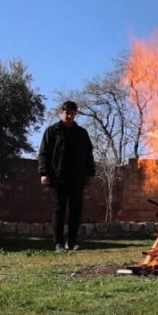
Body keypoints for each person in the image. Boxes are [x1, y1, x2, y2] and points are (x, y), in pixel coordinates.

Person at [38, 101, 95, 252]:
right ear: (61, 113)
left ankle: (72, 241)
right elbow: (43, 153)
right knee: (59, 210)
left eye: (72, 113)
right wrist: (44, 173)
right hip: (58, 178)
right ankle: (58, 243)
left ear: (76, 114)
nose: (69, 116)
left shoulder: (82, 133)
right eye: (66, 113)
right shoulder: (52, 131)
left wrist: (90, 173)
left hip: (77, 178)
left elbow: (89, 154)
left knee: (76, 210)